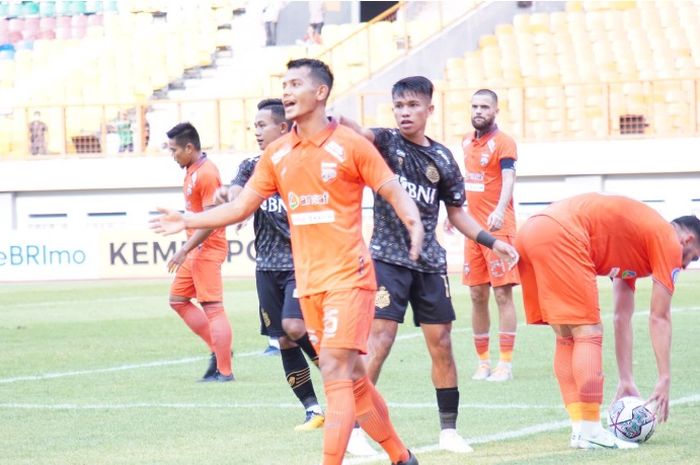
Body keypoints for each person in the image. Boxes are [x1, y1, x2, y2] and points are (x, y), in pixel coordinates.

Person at [152, 58, 422, 465]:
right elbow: (241, 207)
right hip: (308, 281)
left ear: (321, 92)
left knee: (333, 367)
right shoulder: (277, 154)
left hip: (350, 277)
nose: (286, 91)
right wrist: (188, 220)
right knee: (354, 379)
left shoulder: (351, 145)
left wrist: (414, 223)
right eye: (284, 83)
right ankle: (402, 458)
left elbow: (391, 188)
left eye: (295, 83)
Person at [338, 76, 519, 454]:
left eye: (413, 106)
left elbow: (458, 213)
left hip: (430, 263)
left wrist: (493, 241)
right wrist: (337, 120)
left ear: (429, 109)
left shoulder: (442, 159)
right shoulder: (386, 142)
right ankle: (355, 430)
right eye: (399, 106)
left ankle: (448, 431)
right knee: (380, 340)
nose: (405, 113)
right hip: (387, 259)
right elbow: (360, 133)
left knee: (442, 344)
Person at [515, 193, 700, 449]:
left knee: (567, 336)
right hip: (563, 232)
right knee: (588, 330)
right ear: (687, 239)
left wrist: (626, 379)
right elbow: (660, 317)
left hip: (532, 230)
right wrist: (664, 376)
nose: (686, 265)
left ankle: (580, 430)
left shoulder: (639, 242)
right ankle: (591, 430)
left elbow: (621, 317)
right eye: (692, 257)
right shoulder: (669, 241)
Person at [215, 98, 324, 431]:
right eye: (254, 127)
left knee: (294, 327)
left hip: (301, 261)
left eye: (262, 126)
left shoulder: (303, 160)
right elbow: (237, 190)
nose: (256, 132)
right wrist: (230, 197)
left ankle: (340, 375)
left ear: (282, 127)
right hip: (266, 266)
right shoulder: (252, 164)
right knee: (285, 340)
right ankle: (313, 410)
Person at [165, 122, 234, 382]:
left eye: (174, 150)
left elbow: (211, 219)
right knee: (177, 300)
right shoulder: (192, 170)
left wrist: (184, 249)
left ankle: (225, 370)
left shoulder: (206, 173)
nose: (172, 156)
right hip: (196, 248)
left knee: (213, 307)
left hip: (206, 248)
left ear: (190, 147)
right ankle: (219, 351)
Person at [461, 89, 520, 382]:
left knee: (502, 293)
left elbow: (509, 178)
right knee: (476, 294)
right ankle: (483, 362)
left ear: (496, 110)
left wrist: (499, 209)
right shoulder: (466, 142)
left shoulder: (504, 142)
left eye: (484, 106)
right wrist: (457, 213)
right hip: (472, 230)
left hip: (499, 228)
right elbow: (468, 181)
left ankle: (505, 364)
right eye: (474, 106)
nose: (478, 111)